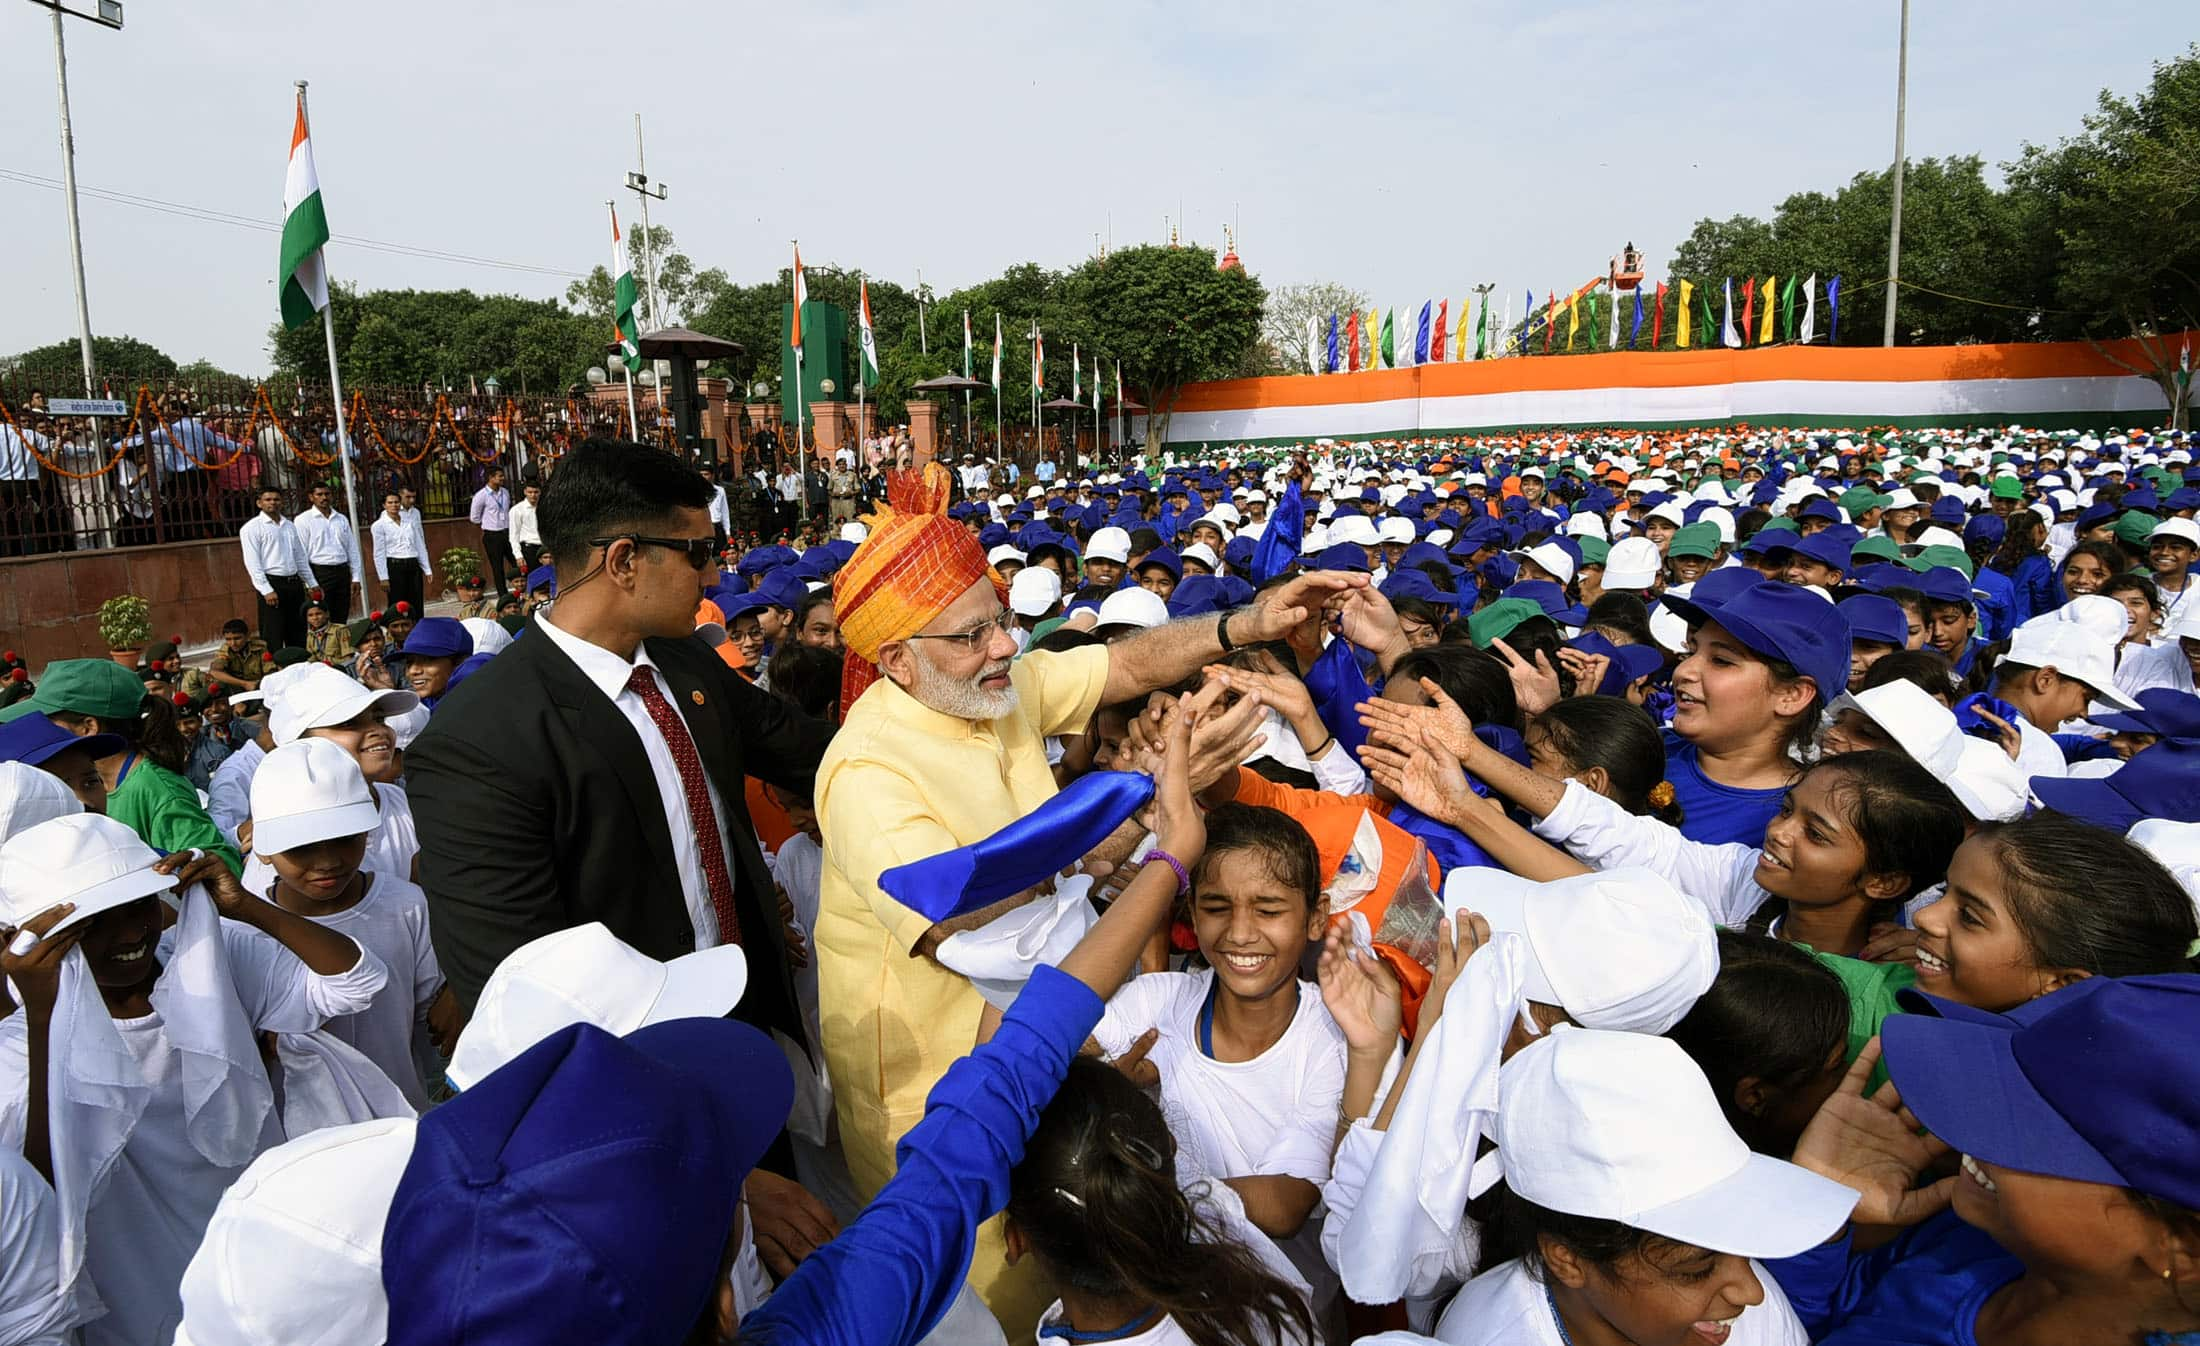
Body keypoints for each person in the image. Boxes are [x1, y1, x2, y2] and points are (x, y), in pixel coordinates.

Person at [813, 460, 1356, 1329]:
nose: (1004, 648)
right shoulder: (866, 772)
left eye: (1000, 621)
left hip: (1052, 1040)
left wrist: (1246, 621)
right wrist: (1142, 813)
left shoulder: (993, 690)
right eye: (973, 635)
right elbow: (958, 918)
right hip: (946, 1099)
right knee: (986, 1301)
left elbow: (1125, 663)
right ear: (898, 663)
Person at [406, 441, 831, 1070]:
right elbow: (517, 990)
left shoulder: (686, 664)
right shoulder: (477, 742)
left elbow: (812, 753)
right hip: (637, 1068)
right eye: (698, 554)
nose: (714, 576)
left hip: (748, 1024)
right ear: (625, 561)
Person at [0, 816, 388, 1346]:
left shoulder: (207, 958)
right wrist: (43, 1017)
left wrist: (247, 907)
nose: (131, 933)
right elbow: (38, 1198)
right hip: (137, 1278)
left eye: (138, 906)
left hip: (260, 1235)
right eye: (94, 925)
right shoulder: (22, 1043)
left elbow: (355, 981)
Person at [1770, 976, 2200, 1346]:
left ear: (2184, 1248)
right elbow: (1815, 1324)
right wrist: (1821, 1206)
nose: (1972, 1123)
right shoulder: (1974, 1243)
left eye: (2028, 1125)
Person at [247, 739, 456, 1111]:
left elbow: (434, 1013)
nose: (327, 861)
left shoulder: (406, 906)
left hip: (401, 1113)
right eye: (301, 846)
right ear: (263, 848)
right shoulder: (246, 930)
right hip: (297, 1134)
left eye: (344, 839)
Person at [11, 659, 243, 875]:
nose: (39, 731)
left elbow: (222, 865)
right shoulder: (84, 782)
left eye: (48, 722)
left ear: (88, 727)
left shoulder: (158, 789)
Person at [239, 484, 313, 652]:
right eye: (268, 500)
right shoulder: (251, 528)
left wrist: (311, 582)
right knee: (273, 633)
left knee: (297, 631)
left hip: (293, 583)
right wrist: (266, 590)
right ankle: (275, 671)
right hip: (272, 585)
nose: (273, 503)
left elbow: (300, 557)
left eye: (276, 499)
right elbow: (252, 562)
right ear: (259, 503)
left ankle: (297, 665)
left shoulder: (289, 526)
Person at [294, 482, 362, 625]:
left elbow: (352, 549)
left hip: (342, 571)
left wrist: (356, 577)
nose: (324, 498)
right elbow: (301, 554)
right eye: (319, 494)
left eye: (327, 494)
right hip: (320, 573)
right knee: (320, 616)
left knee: (341, 615)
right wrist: (309, 583)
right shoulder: (303, 520)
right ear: (311, 497)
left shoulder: (341, 519)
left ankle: (340, 645)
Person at [370, 490, 432, 615]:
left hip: (412, 564)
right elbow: (379, 553)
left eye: (397, 502)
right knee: (397, 603)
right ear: (384, 505)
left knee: (416, 602)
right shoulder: (379, 525)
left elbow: (419, 545)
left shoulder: (409, 523)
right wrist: (383, 577)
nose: (394, 505)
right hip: (395, 565)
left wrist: (427, 568)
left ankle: (417, 628)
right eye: (390, 502)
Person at [470, 466, 513, 601]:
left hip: (507, 532)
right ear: (491, 478)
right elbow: (474, 517)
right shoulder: (481, 495)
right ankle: (503, 595)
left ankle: (523, 589)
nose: (502, 478)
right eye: (499, 476)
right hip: (492, 535)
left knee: (515, 561)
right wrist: (488, 523)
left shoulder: (505, 492)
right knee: (497, 567)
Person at [509, 479, 544, 573]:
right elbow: (514, 535)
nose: (533, 495)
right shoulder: (517, 510)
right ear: (525, 492)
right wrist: (518, 555)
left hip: (545, 549)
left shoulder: (544, 507)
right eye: (530, 492)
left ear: (540, 492)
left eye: (536, 492)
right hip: (529, 549)